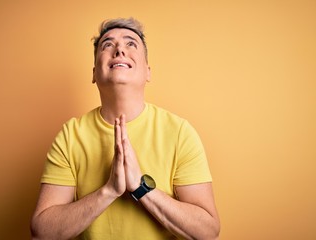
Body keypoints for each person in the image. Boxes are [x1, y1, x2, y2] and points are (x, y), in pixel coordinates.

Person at [31, 17, 220, 240]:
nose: (119, 49)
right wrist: (109, 190)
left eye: (131, 43)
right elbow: (41, 232)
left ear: (148, 72)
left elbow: (208, 232)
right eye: (107, 44)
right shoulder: (70, 136)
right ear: (94, 73)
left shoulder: (179, 132)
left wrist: (141, 188)